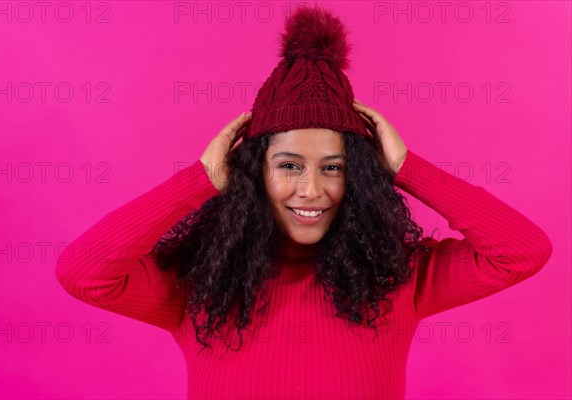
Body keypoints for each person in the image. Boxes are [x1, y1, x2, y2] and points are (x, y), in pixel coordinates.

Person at [55, 5, 553, 399]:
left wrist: (407, 169)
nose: (311, 189)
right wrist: (200, 180)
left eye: (333, 167)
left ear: (358, 175)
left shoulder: (400, 278)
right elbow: (84, 273)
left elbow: (522, 250)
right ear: (252, 174)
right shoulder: (199, 286)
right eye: (289, 165)